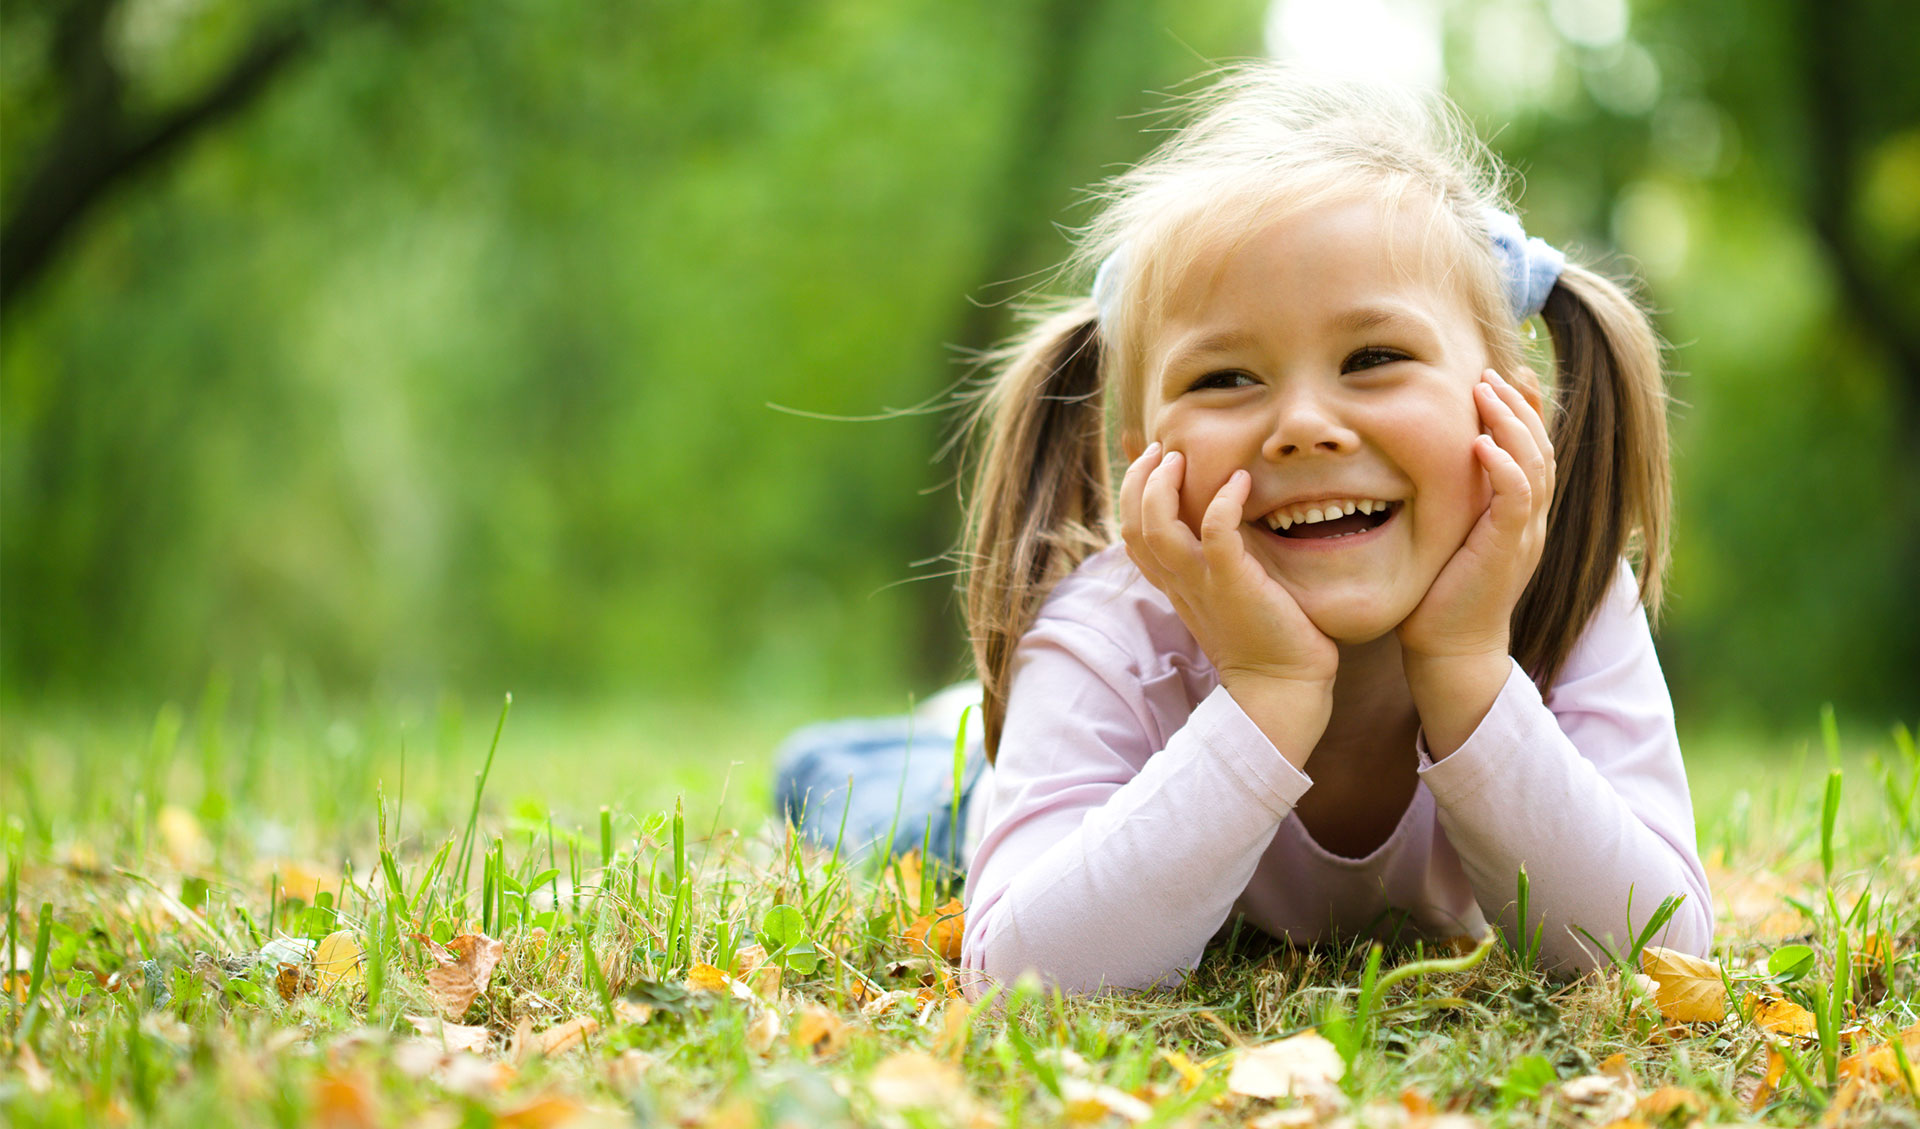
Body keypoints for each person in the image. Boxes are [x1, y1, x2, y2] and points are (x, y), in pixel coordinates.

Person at [779, 64, 1712, 995]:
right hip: (1001, 803)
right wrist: (1268, 693)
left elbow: (1655, 951)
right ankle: (928, 742)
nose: (1305, 423)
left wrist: (1467, 664)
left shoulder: (1564, 593)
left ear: (1505, 405)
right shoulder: (1107, 632)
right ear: (1145, 450)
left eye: (1375, 357)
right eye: (1225, 378)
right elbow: (1024, 976)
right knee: (861, 795)